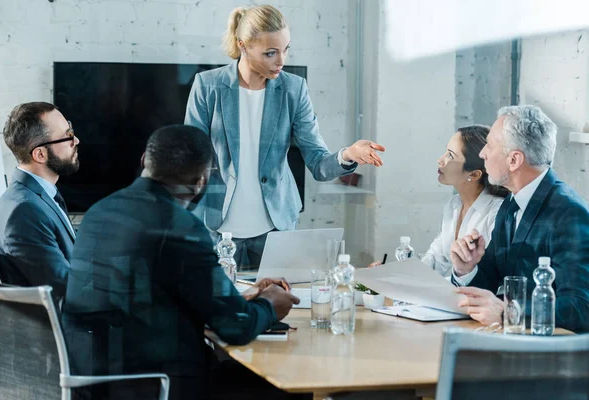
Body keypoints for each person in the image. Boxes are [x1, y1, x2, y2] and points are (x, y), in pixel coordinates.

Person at [62, 125, 300, 400]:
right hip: (159, 384)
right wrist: (270, 304)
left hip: (93, 379)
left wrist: (242, 300)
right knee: (288, 385)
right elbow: (237, 328)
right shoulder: (181, 227)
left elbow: (149, 292)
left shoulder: (99, 212)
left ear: (143, 162)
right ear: (201, 181)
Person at [185, 4, 385, 271]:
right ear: (243, 46)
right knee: (216, 307)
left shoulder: (294, 89)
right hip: (215, 227)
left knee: (274, 307)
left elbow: (318, 163)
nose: (281, 61)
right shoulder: (207, 85)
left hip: (275, 229)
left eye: (285, 49)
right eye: (270, 53)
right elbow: (189, 161)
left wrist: (347, 155)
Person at [450, 105, 589, 333]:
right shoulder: (511, 203)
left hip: (550, 357)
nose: (483, 153)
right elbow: (491, 281)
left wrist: (509, 313)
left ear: (514, 160)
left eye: (490, 145)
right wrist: (466, 269)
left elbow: (581, 307)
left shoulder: (569, 213)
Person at [369, 125, 507, 276]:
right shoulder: (453, 205)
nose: (440, 160)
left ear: (474, 174)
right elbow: (434, 261)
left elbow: (490, 277)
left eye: (450, 155)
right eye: (445, 151)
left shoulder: (496, 213)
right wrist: (391, 273)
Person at [0, 102, 79, 300]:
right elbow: (67, 289)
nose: (77, 141)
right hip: (68, 324)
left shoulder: (36, 195)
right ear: (40, 154)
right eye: (68, 136)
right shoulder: (23, 212)